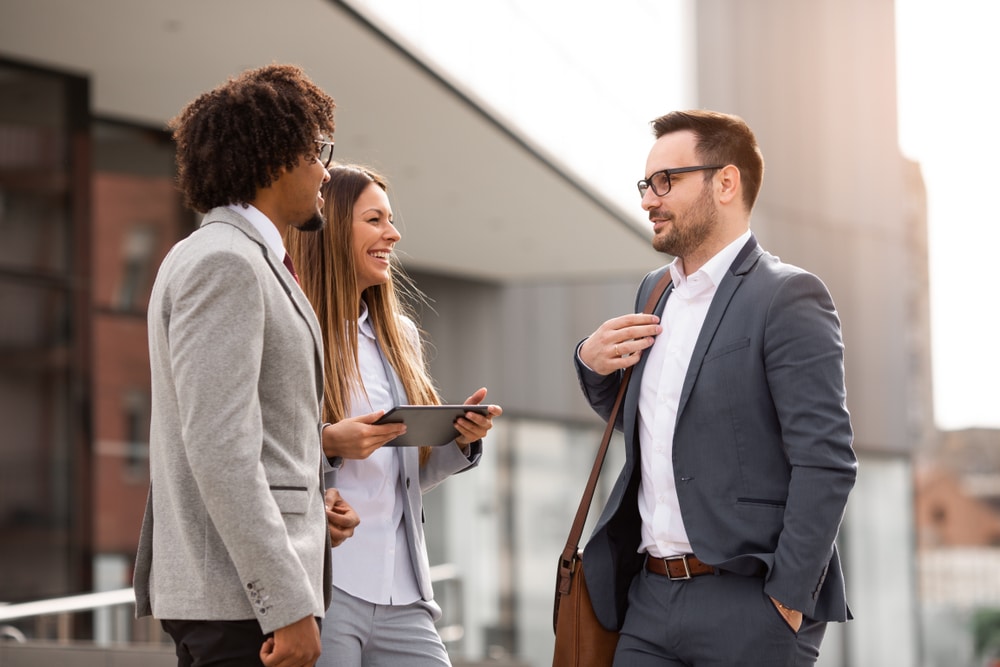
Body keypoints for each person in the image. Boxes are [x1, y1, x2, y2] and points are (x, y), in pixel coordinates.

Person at [574, 110, 857, 666]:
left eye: (666, 181)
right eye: (645, 184)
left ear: (725, 182)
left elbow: (826, 460)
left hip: (750, 603)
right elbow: (656, 426)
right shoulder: (653, 291)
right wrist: (591, 362)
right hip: (649, 601)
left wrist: (788, 598)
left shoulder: (789, 296)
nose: (649, 199)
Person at [133, 64, 358, 667]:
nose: (326, 170)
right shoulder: (226, 264)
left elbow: (250, 434)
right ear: (278, 157)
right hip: (241, 607)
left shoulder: (217, 255)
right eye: (319, 151)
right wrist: (286, 604)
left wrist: (312, 496)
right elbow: (219, 445)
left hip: (236, 598)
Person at [286, 164, 502, 667]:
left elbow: (403, 476)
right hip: (326, 586)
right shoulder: (292, 328)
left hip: (403, 589)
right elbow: (260, 448)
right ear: (336, 227)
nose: (394, 233)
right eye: (375, 219)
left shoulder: (397, 334)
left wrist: (459, 441)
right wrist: (328, 443)